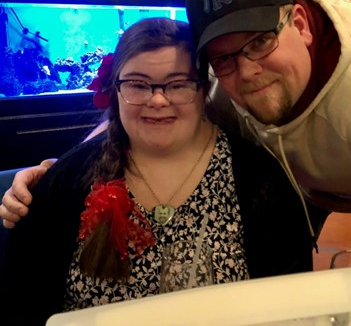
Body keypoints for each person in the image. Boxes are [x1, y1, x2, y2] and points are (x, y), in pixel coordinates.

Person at [0, 17, 313, 326]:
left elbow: (290, 305)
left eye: (178, 84)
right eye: (137, 84)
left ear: (203, 89)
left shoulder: (260, 180)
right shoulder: (66, 182)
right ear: (115, 89)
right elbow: (24, 303)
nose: (159, 100)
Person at [184, 0, 351, 302]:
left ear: (301, 25)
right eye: (223, 59)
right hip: (299, 179)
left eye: (261, 41)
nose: (247, 72)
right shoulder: (220, 92)